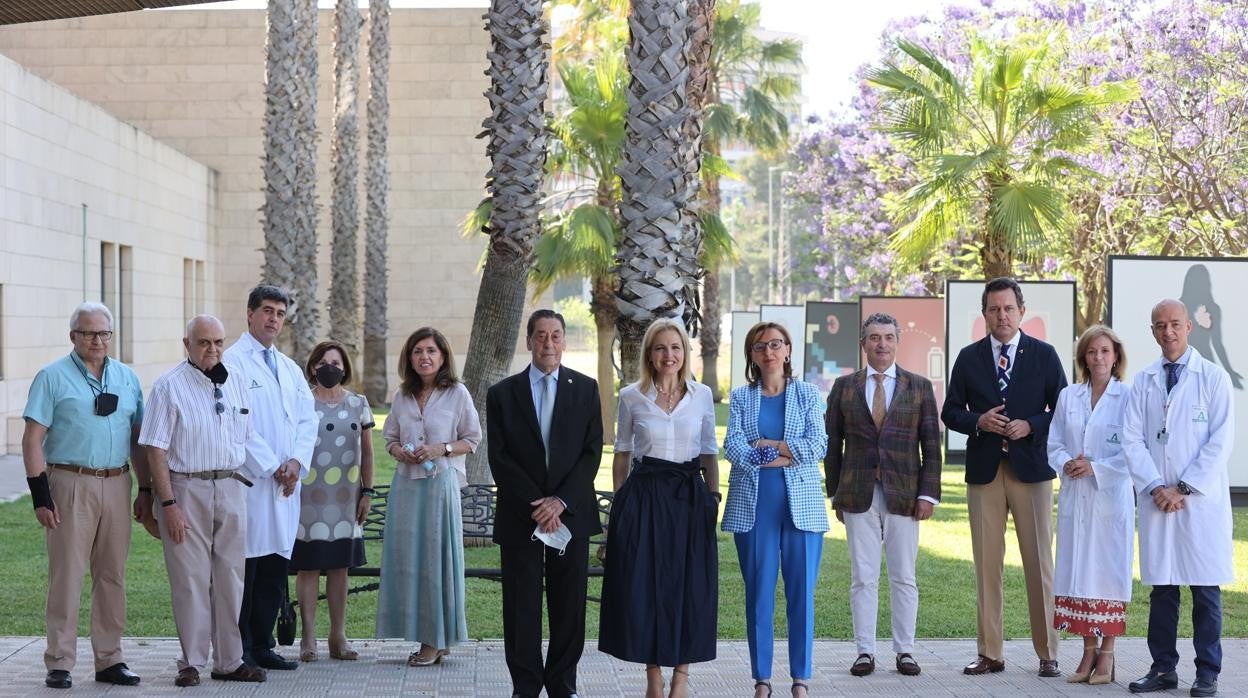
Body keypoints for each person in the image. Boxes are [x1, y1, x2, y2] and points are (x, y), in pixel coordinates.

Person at [941, 277, 1066, 678]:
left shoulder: (1044, 355)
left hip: (1032, 472)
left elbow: (1062, 409)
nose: (1002, 315)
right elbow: (950, 411)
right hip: (985, 473)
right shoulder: (969, 357)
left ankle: (1048, 651)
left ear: (1021, 311)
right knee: (987, 565)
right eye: (994, 309)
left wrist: (1030, 425)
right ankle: (990, 652)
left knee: (1039, 563)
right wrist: (979, 421)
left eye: (1008, 308)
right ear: (985, 315)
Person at [21, 302, 147, 690]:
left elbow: (139, 440)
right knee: (68, 575)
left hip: (117, 482)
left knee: (112, 575)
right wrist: (41, 496)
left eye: (104, 333)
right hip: (69, 483)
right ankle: (59, 661)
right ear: (73, 335)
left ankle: (110, 659)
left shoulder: (127, 378)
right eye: (89, 333)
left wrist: (148, 490)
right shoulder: (52, 377)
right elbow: (32, 439)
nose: (97, 339)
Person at [138, 315, 268, 687]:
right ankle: (191, 661)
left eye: (218, 342)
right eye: (203, 343)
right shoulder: (168, 387)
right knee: (191, 578)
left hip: (230, 487)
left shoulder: (239, 381)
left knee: (230, 577)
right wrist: (168, 504)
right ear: (187, 344)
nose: (212, 349)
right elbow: (155, 450)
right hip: (186, 489)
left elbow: (246, 437)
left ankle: (229, 660)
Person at [598, 318, 720, 698]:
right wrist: (621, 509)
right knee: (645, 586)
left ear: (685, 352)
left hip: (688, 498)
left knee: (690, 585)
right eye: (660, 348)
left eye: (676, 348)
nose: (669, 355)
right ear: (649, 354)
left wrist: (711, 501)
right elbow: (621, 455)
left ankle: (681, 678)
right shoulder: (632, 396)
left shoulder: (701, 396)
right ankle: (653, 677)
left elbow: (709, 453)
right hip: (645, 498)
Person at [486, 309, 603, 698]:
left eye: (555, 335)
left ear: (565, 341)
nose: (548, 343)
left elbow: (591, 453)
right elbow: (499, 457)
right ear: (529, 341)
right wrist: (538, 504)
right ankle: (525, 685)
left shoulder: (586, 389)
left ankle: (562, 685)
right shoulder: (502, 394)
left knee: (569, 604)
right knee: (522, 605)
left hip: (571, 514)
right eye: (540, 336)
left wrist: (561, 501)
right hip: (522, 516)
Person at [1122, 299, 1233, 698]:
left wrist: (1181, 488)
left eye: (1174, 324)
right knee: (1163, 590)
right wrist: (1156, 487)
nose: (1167, 331)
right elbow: (1132, 438)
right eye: (1159, 325)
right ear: (1152, 331)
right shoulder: (1144, 381)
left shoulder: (1213, 378)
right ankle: (1163, 669)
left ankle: (1208, 673)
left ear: (1188, 326)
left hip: (1198, 503)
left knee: (1205, 589)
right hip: (1158, 500)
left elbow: (1220, 442)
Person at [824, 313, 941, 678]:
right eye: (874, 337)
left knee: (904, 576)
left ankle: (905, 651)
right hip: (858, 494)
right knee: (863, 576)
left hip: (905, 495)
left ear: (897, 341)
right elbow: (832, 446)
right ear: (864, 343)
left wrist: (928, 494)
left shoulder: (919, 387)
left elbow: (932, 447)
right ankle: (865, 652)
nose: (882, 344)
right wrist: (836, 494)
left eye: (888, 337)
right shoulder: (844, 387)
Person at [723, 321, 828, 698]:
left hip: (802, 511)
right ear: (751, 355)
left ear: (787, 351)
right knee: (759, 596)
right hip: (754, 510)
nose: (768, 351)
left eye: (775, 344)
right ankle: (762, 679)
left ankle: (800, 679)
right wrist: (787, 452)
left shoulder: (808, 394)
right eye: (759, 346)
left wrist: (767, 446)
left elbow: (818, 446)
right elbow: (733, 448)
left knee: (802, 595)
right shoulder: (740, 397)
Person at [224, 284, 318, 671]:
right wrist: (273, 465)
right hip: (253, 482)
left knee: (275, 565)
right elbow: (236, 420)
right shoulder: (233, 361)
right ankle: (240, 648)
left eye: (279, 313)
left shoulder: (290, 367)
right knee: (247, 567)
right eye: (266, 311)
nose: (272, 319)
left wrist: (296, 462)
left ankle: (263, 645)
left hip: (285, 486)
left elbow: (307, 420)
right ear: (249, 313)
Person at [376, 327, 481, 666]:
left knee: (436, 561)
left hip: (440, 488)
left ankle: (434, 640)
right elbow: (389, 437)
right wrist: (399, 452)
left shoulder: (458, 393)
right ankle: (432, 635)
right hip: (407, 488)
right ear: (410, 357)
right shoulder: (402, 395)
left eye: (431, 351)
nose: (424, 357)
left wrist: (442, 448)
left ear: (443, 356)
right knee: (411, 562)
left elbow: (473, 438)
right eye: (418, 351)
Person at [1047, 325, 1134, 686]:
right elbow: (1053, 442)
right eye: (1091, 352)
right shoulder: (1069, 396)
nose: (1098, 357)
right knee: (1077, 572)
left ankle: (1108, 652)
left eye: (1104, 351)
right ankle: (1086, 650)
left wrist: (1095, 467)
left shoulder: (1127, 399)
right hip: (1076, 498)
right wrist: (1066, 462)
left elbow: (1133, 451)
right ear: (1083, 357)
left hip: (1109, 501)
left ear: (1116, 357)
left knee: (1108, 574)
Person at [289, 341, 376, 663]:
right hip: (307, 498)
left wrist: (367, 491)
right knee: (308, 568)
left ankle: (338, 636)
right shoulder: (301, 403)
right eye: (324, 362)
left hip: (345, 499)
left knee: (340, 568)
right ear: (312, 366)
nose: (330, 367)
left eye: (336, 362)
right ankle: (307, 637)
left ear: (345, 367)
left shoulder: (359, 404)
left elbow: (368, 453)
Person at [1179, 263, 1243, 389]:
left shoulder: (1212, 309)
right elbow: (1218, 345)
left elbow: (1217, 344)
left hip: (1203, 364)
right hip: (1187, 364)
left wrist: (1229, 371)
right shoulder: (1178, 307)